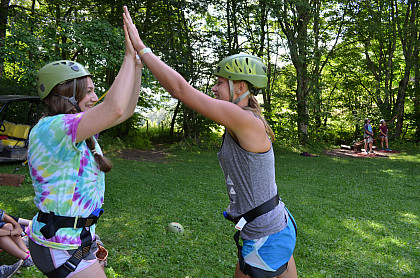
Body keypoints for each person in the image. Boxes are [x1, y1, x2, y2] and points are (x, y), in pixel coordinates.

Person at [123, 6, 298, 278]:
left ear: (239, 87)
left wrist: (142, 50)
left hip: (266, 234)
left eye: (219, 83)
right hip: (271, 226)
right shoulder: (242, 118)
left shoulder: (242, 118)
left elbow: (181, 90)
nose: (214, 89)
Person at [27, 19, 143, 278]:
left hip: (74, 240)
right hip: (59, 245)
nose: (94, 97)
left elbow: (125, 111)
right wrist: (127, 54)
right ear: (68, 94)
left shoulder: (74, 130)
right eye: (88, 91)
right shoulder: (53, 129)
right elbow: (114, 107)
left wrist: (136, 65)